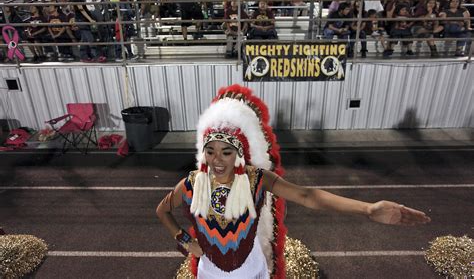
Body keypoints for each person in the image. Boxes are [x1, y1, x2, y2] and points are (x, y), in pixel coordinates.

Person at [156, 85, 431, 278]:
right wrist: (182, 239)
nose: (217, 159)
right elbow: (162, 210)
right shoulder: (192, 185)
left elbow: (308, 196)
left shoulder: (256, 181)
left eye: (226, 151)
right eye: (211, 150)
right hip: (210, 274)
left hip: (252, 271)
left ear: (238, 155)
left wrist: (368, 209)